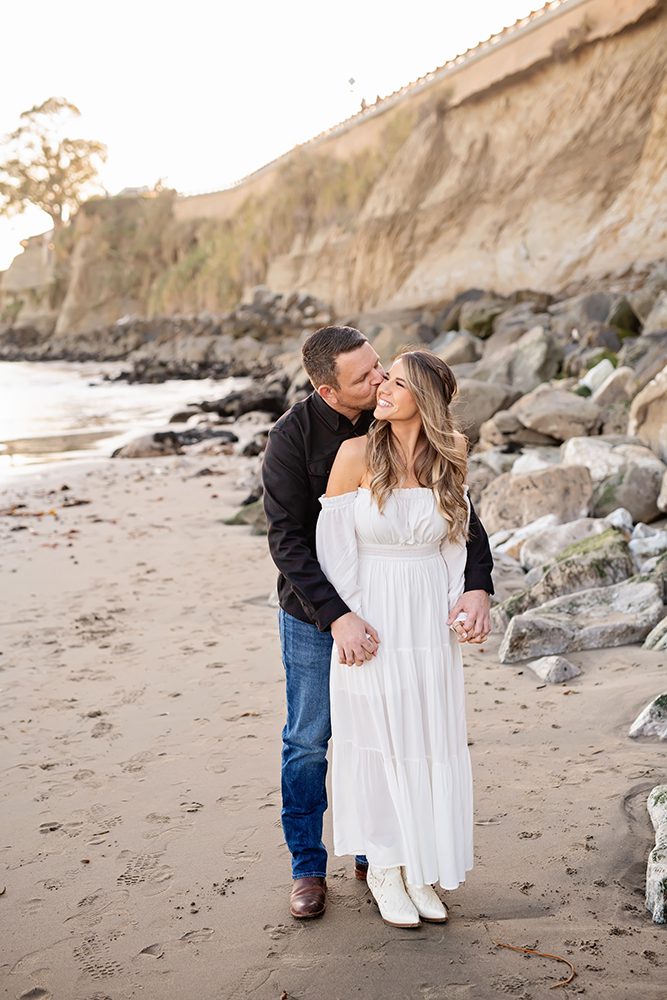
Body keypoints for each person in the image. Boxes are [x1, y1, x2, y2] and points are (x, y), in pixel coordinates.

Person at [262, 326, 494, 921]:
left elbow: (461, 521)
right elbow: (294, 543)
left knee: (410, 732)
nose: (377, 381)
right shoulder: (295, 440)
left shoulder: (413, 435)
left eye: (382, 369)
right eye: (366, 377)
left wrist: (475, 588)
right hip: (318, 608)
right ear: (326, 389)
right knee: (311, 741)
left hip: (409, 615)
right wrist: (342, 616)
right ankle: (309, 870)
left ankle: (385, 858)